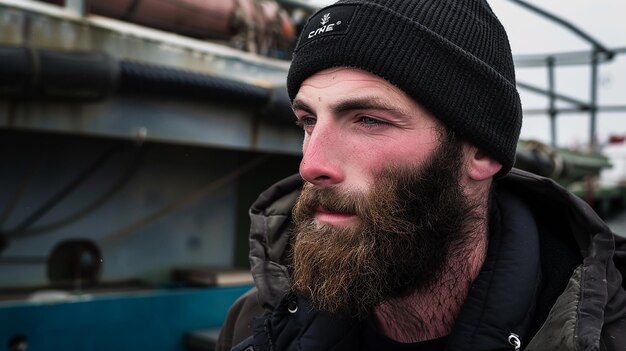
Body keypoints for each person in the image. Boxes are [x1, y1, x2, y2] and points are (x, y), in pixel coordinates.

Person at [217, 0, 626, 350]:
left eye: (368, 120)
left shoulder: (607, 331)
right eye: (307, 121)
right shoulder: (255, 321)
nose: (310, 165)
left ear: (481, 149)